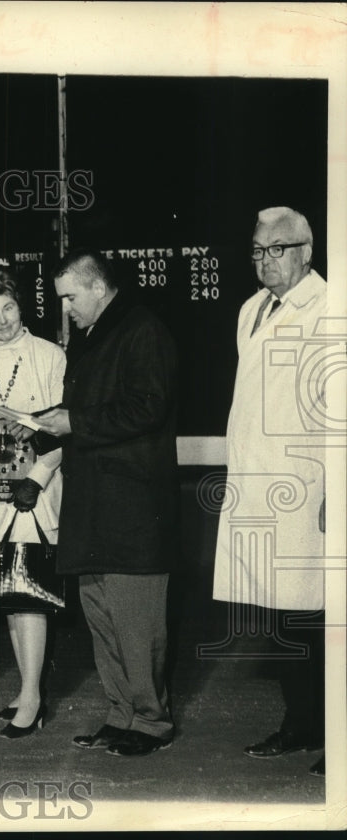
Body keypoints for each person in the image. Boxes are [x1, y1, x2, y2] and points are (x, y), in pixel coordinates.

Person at [34, 249, 179, 757]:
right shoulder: (93, 336)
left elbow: (148, 406)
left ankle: (152, 722)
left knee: (138, 625)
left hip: (133, 511)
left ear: (99, 287)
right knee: (103, 620)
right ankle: (121, 714)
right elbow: (92, 411)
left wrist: (72, 422)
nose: (66, 308)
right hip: (94, 508)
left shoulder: (142, 329)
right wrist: (42, 423)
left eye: (70, 297)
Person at [212, 207, 330, 777]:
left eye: (276, 249)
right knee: (283, 617)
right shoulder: (251, 311)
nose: (265, 261)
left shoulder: (332, 308)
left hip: (312, 491)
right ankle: (302, 723)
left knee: (326, 617)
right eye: (257, 251)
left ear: (306, 250)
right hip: (259, 488)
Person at [0, 268, 65, 739]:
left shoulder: (50, 355)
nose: (1, 320)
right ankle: (27, 690)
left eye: (8, 308)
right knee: (6, 589)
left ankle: (33, 697)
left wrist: (40, 477)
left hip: (33, 494)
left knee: (30, 594)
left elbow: (67, 428)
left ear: (21, 307)